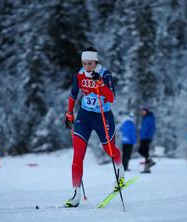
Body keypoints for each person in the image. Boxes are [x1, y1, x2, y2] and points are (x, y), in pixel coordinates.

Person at [64, 47, 124, 207]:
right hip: (84, 116)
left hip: (102, 116)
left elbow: (111, 98)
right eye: (84, 63)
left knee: (109, 149)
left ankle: (119, 167)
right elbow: (73, 93)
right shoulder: (80, 75)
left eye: (90, 63)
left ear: (96, 62)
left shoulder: (105, 74)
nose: (87, 67)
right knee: (77, 155)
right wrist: (69, 113)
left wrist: (100, 84)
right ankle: (75, 193)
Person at [138, 106, 156, 173]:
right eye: (142, 111)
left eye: (143, 111)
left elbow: (152, 128)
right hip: (143, 137)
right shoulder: (145, 118)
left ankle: (150, 161)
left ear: (147, 111)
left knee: (141, 150)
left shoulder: (150, 118)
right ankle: (147, 168)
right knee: (145, 152)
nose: (142, 112)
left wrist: (150, 137)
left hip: (147, 138)